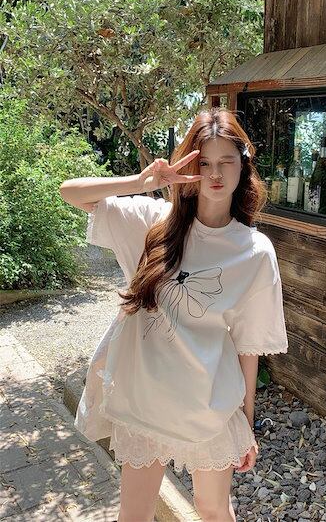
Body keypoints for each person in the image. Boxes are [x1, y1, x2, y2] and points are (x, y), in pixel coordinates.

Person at [59, 107, 289, 522]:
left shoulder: (255, 251)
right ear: (189, 167)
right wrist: (142, 182)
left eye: (226, 162)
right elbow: (70, 192)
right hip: (145, 399)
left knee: (212, 508)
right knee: (134, 512)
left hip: (208, 403)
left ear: (243, 167)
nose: (214, 173)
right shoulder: (152, 223)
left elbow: (248, 344)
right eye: (204, 163)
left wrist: (246, 423)